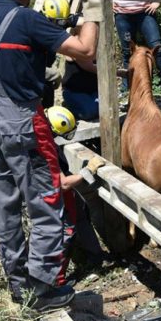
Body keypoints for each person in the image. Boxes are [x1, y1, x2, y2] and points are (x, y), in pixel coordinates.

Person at [0, 0, 101, 310]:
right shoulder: (27, 20)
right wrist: (92, 7)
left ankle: (18, 285)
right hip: (21, 121)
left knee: (5, 205)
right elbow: (86, 50)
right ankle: (43, 290)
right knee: (47, 201)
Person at [46, 106, 108, 286]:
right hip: (54, 197)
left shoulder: (47, 137)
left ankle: (95, 256)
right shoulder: (43, 147)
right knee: (66, 232)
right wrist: (87, 171)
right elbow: (63, 183)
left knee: (82, 214)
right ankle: (56, 281)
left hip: (65, 195)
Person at [41, 0, 100, 121]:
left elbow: (89, 21)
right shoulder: (39, 28)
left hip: (86, 89)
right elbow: (88, 65)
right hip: (39, 73)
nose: (59, 26)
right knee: (90, 112)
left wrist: (70, 20)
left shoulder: (61, 23)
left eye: (63, 22)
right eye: (57, 22)